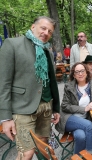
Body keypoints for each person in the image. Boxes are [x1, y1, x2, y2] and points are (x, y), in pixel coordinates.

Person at [0, 16, 60, 160]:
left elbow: (52, 81)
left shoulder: (47, 51)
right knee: (27, 153)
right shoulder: (12, 44)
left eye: (50, 31)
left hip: (46, 106)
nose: (46, 33)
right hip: (23, 109)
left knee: (43, 145)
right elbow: (3, 83)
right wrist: (5, 118)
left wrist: (56, 108)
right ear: (33, 27)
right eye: (43, 28)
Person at [55, 62, 92, 154]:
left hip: (84, 119)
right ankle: (90, 153)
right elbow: (65, 106)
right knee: (89, 125)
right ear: (74, 75)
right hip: (69, 118)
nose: (80, 74)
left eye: (82, 71)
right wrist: (84, 109)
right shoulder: (69, 86)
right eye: (77, 72)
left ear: (86, 72)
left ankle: (77, 157)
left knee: (80, 136)